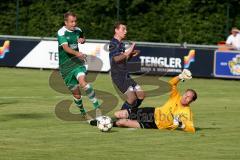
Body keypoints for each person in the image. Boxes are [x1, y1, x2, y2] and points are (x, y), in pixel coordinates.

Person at [114, 69, 197, 133]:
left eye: (189, 97)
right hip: (151, 112)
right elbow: (171, 84)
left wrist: (181, 124)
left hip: (154, 124)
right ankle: (109, 120)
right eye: (186, 94)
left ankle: (109, 123)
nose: (185, 97)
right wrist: (180, 77)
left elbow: (191, 129)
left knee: (122, 122)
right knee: (118, 114)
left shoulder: (187, 112)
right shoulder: (176, 97)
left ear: (191, 101)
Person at [57, 11, 101, 119]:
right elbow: (66, 48)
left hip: (77, 63)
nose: (74, 24)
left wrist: (83, 40)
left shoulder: (78, 30)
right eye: (71, 22)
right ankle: (83, 112)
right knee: (77, 94)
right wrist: (77, 53)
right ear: (66, 22)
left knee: (83, 82)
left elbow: (82, 38)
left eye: (75, 21)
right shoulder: (61, 33)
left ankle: (97, 107)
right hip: (66, 67)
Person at [108, 21, 145, 113]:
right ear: (116, 30)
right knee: (132, 97)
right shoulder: (113, 43)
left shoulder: (121, 44)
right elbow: (116, 59)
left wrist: (131, 54)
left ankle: (131, 114)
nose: (126, 31)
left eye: (126, 29)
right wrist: (129, 50)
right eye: (123, 29)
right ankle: (120, 116)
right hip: (118, 75)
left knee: (141, 94)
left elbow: (123, 59)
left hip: (125, 75)